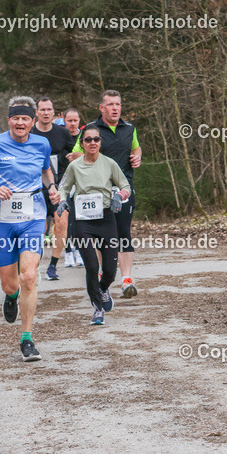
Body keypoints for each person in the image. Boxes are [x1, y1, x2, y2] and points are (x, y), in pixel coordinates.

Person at [0, 96, 61, 362]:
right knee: (10, 285)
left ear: (32, 121)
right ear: (9, 120)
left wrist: (52, 187)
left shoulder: (41, 144)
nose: (21, 123)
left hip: (33, 216)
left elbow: (46, 171)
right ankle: (12, 297)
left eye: (25, 119)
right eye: (16, 118)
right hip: (2, 220)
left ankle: (27, 339)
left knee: (29, 276)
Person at [58, 125, 131, 325]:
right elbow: (64, 188)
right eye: (88, 139)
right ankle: (98, 308)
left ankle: (103, 288)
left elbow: (125, 186)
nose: (92, 143)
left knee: (110, 270)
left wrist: (119, 196)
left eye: (96, 139)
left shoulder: (109, 163)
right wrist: (62, 201)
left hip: (106, 218)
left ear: (100, 142)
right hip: (82, 220)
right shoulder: (75, 166)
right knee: (91, 266)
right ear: (82, 143)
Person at [72, 90, 141, 297]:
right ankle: (104, 274)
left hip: (123, 188)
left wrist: (137, 157)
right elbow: (76, 153)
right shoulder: (91, 129)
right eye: (110, 104)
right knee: (104, 235)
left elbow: (136, 148)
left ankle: (127, 279)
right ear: (101, 108)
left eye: (117, 104)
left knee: (124, 232)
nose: (115, 108)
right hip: (97, 190)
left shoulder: (129, 128)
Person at [31, 97, 70, 280]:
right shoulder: (29, 132)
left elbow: (75, 152)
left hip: (59, 186)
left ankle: (53, 265)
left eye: (49, 109)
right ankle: (34, 262)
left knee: (62, 223)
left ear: (53, 112)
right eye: (42, 109)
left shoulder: (62, 133)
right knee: (38, 228)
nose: (46, 113)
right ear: (36, 112)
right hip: (35, 187)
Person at [61, 108, 83, 267]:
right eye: (69, 121)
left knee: (78, 218)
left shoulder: (84, 137)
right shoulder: (60, 136)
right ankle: (68, 252)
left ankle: (78, 250)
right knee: (66, 218)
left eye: (75, 120)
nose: (73, 124)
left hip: (81, 182)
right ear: (64, 120)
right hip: (64, 181)